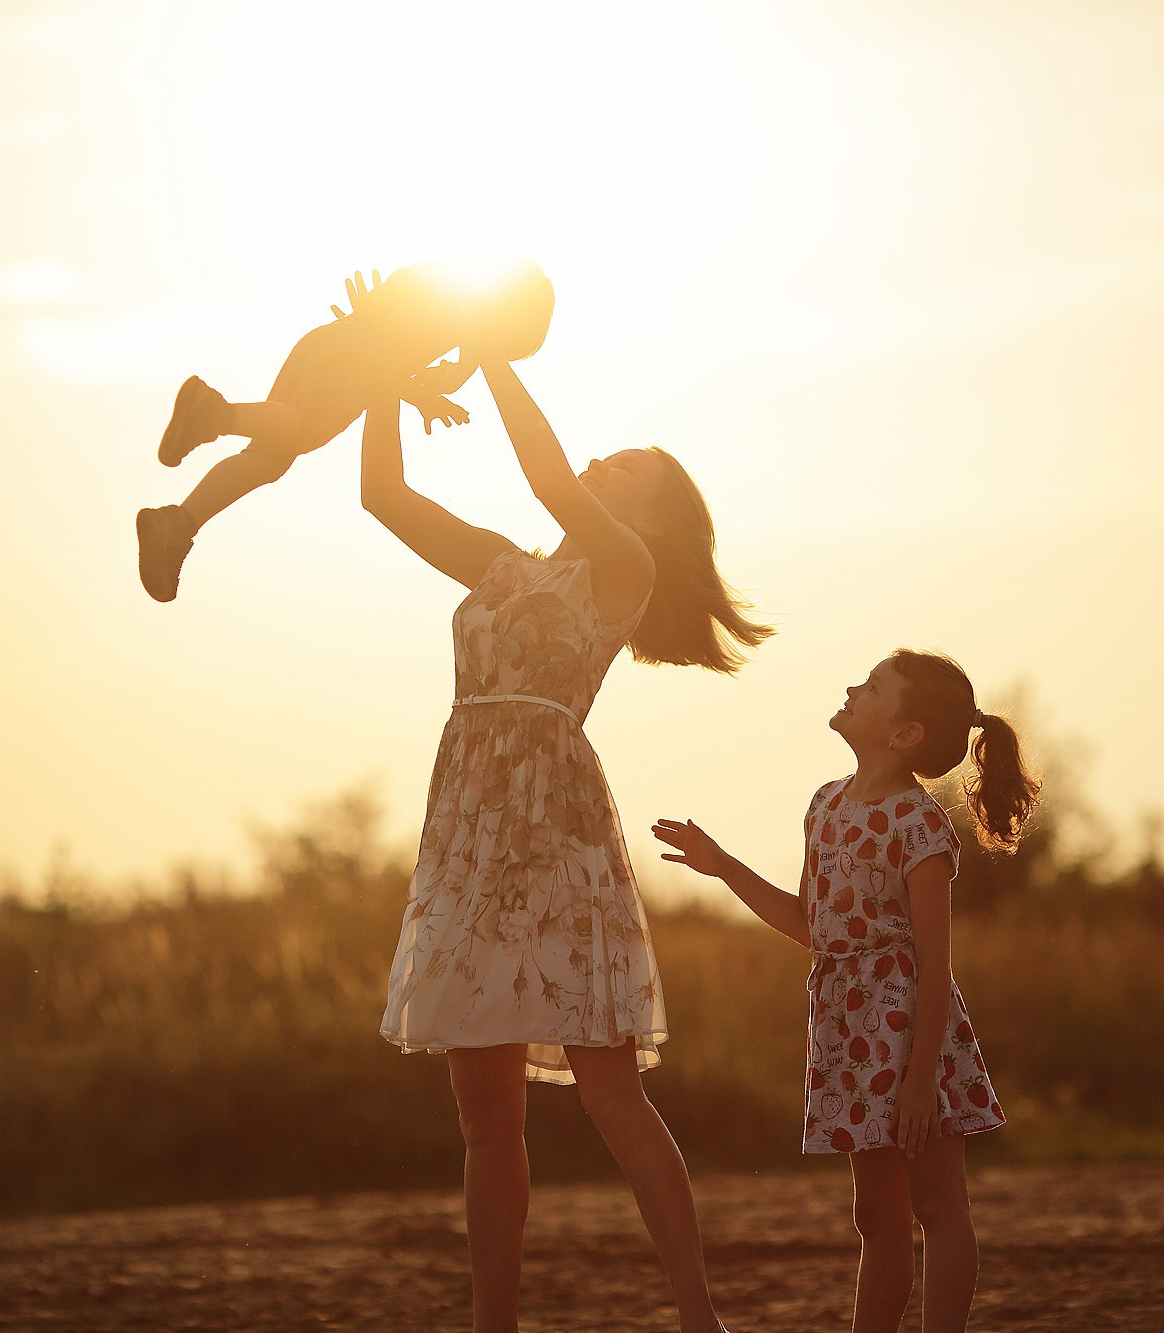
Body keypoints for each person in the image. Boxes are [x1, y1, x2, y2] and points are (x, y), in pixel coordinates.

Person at [358, 272, 770, 1333]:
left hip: (552, 831)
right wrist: (373, 369)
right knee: (484, 1119)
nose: (598, 461)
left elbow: (545, 476)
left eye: (623, 465)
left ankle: (698, 1319)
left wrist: (491, 346)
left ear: (647, 512)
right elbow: (383, 497)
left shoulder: (621, 569)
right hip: (466, 831)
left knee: (608, 1091)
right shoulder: (500, 568)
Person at [652, 650, 1038, 1333]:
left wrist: (921, 1079)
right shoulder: (824, 805)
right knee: (876, 1216)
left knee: (940, 1209)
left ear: (905, 734)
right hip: (849, 1033)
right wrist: (723, 866)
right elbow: (810, 925)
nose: (854, 687)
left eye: (875, 686)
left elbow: (933, 963)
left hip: (913, 1036)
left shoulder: (920, 826)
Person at [135, 258, 555, 602]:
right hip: (360, 357)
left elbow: (388, 345)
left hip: (326, 340)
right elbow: (440, 374)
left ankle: (179, 522)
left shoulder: (438, 283)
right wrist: (439, 386)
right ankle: (213, 414)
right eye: (504, 347)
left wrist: (413, 388)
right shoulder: (475, 317)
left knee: (268, 456)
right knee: (306, 430)